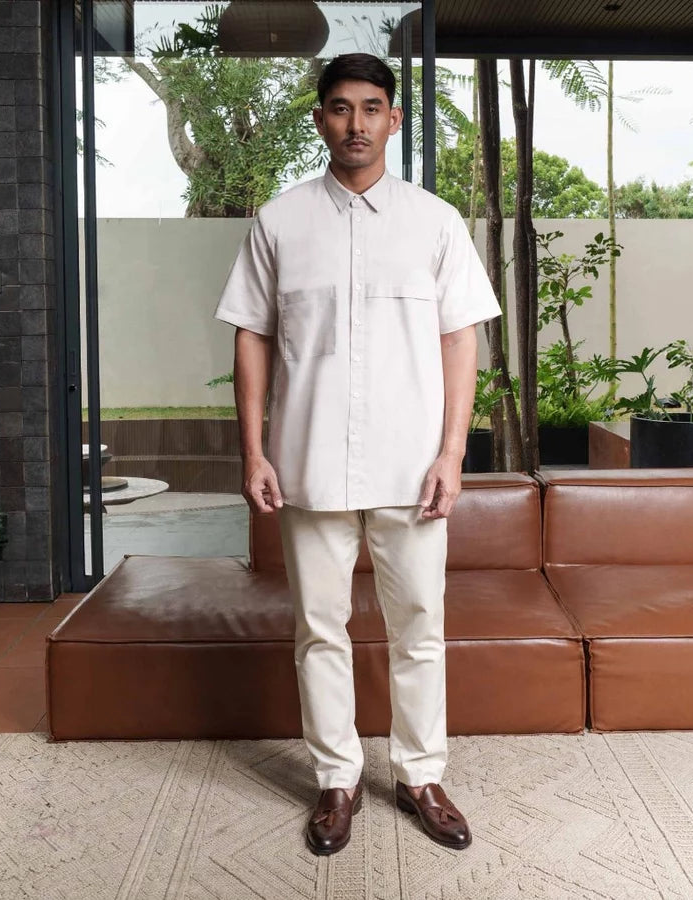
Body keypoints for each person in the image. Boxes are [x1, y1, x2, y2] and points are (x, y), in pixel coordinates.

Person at [213, 52, 501, 855]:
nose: (356, 124)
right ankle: (337, 780)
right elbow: (253, 338)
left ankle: (420, 774)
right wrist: (253, 451)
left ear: (394, 120)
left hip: (414, 468)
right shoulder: (279, 221)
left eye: (372, 108)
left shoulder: (435, 222)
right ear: (320, 120)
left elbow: (459, 341)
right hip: (308, 462)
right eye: (340, 108)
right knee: (319, 629)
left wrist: (452, 454)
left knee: (420, 627)